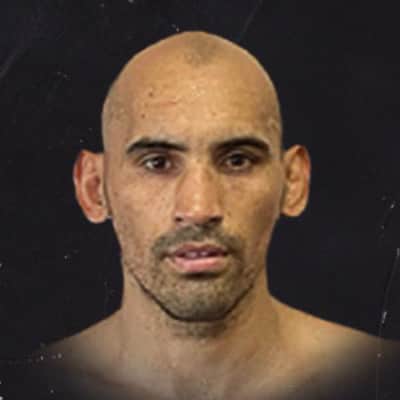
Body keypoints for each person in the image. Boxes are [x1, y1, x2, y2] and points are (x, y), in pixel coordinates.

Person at [36, 31, 381, 400]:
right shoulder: (26, 385)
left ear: (293, 182)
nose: (199, 209)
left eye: (238, 161)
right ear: (93, 188)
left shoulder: (380, 378)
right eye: (157, 163)